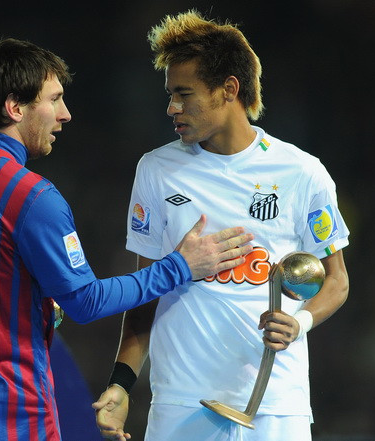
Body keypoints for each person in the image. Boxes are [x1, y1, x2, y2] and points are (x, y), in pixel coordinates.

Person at [0, 37, 254, 441]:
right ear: (15, 107)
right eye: (54, 100)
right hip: (11, 423)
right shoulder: (31, 196)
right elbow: (86, 302)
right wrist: (179, 266)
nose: (65, 114)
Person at [93, 10, 350, 441]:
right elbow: (145, 292)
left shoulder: (302, 172)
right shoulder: (156, 170)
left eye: (184, 94)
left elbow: (337, 281)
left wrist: (301, 322)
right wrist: (121, 383)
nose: (172, 108)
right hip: (181, 401)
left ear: (229, 89)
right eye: (170, 94)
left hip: (275, 404)